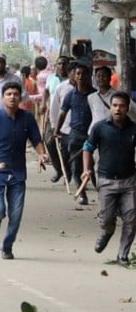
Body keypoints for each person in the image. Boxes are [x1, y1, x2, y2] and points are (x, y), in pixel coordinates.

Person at [0, 82, 50, 260]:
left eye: (15, 94)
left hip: (18, 173)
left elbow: (36, 140)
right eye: (8, 94)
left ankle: (7, 247)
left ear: (20, 97)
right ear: (2, 97)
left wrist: (42, 155)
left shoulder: (27, 118)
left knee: (16, 216)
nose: (12, 97)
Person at [83, 91, 136, 266]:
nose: (118, 109)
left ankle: (123, 255)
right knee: (107, 219)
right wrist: (86, 169)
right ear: (110, 108)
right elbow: (87, 147)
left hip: (129, 181)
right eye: (114, 106)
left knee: (131, 218)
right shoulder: (99, 128)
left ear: (127, 108)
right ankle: (107, 232)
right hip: (106, 180)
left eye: (121, 106)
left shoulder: (134, 128)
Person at [54, 58, 94, 204]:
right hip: (75, 133)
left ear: (89, 76)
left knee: (93, 165)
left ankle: (100, 188)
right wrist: (56, 130)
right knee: (76, 166)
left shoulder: (94, 95)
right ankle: (82, 193)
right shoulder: (70, 95)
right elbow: (62, 113)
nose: (80, 76)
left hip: (92, 134)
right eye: (78, 73)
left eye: (83, 73)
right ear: (74, 75)